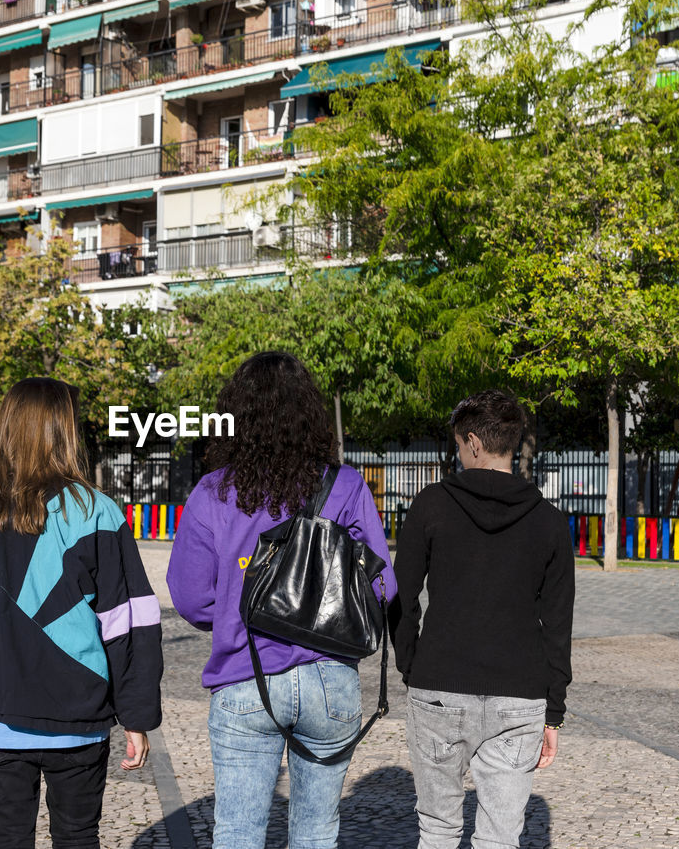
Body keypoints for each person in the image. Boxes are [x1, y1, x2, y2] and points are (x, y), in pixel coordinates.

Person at [0, 377, 163, 849]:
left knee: (6, 838)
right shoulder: (98, 512)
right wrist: (136, 717)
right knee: (77, 837)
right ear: (65, 432)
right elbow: (129, 626)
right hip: (78, 718)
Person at [167, 351, 396, 849]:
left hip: (243, 676)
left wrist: (238, 610)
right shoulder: (347, 485)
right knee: (316, 832)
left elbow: (189, 597)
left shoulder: (212, 492)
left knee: (238, 834)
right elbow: (384, 587)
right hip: (331, 678)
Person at [390, 389, 574, 849]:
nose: (458, 453)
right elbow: (558, 624)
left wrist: (410, 663)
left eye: (457, 444)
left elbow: (400, 595)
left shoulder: (430, 505)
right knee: (499, 838)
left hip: (438, 685)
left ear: (472, 442)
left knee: (437, 830)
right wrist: (554, 712)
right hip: (520, 695)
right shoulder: (550, 522)